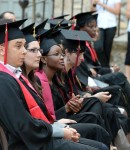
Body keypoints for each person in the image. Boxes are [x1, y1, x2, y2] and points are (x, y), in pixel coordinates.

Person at [0, 19, 109, 150]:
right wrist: (59, 131)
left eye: (24, 46)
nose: (24, 51)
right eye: (19, 46)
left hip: (39, 137)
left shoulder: (15, 76)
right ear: (2, 50)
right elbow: (24, 125)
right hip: (31, 144)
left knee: (98, 138)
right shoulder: (4, 80)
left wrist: (56, 127)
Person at [71, 11, 130, 125]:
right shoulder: (80, 46)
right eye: (91, 26)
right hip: (91, 81)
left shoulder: (87, 44)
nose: (95, 29)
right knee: (119, 78)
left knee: (118, 85)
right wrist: (110, 70)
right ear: (81, 28)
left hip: (92, 79)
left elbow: (94, 67)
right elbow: (92, 70)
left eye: (95, 26)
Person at [91, 0, 121, 67]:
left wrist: (101, 4)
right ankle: (106, 67)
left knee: (107, 50)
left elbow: (117, 11)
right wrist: (94, 4)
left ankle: (105, 70)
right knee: (97, 47)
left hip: (111, 25)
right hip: (99, 25)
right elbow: (92, 11)